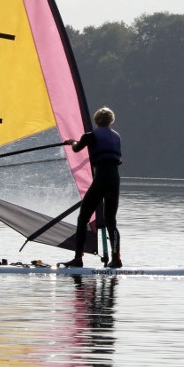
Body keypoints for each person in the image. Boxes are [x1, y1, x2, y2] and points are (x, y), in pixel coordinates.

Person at [62, 107, 123, 268]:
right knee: (111, 221)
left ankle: (78, 258)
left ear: (97, 120)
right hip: (114, 180)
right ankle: (116, 259)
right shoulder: (117, 137)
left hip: (101, 179)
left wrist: (71, 142)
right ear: (111, 120)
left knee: (83, 218)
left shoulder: (90, 136)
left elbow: (76, 148)